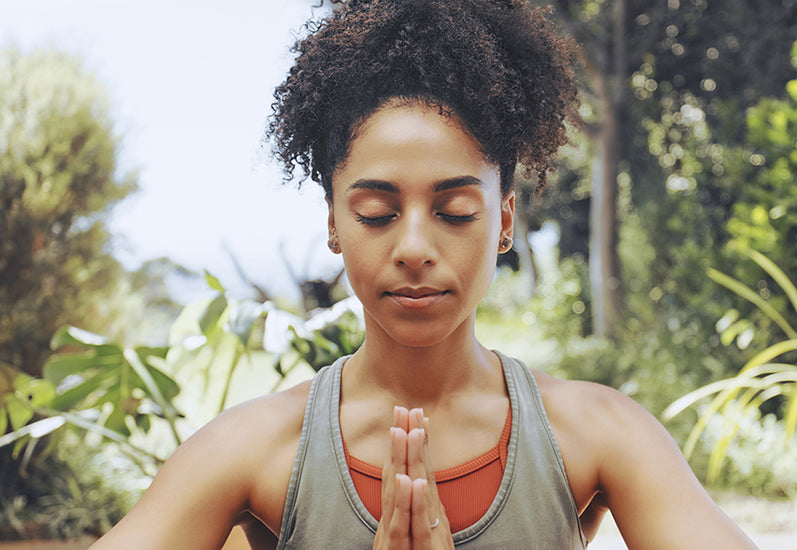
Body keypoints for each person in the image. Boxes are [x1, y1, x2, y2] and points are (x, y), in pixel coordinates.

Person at [91, 0, 759, 548]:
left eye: (455, 210)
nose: (414, 245)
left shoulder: (598, 434)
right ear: (333, 221)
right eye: (378, 213)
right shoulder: (253, 449)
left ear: (503, 221)